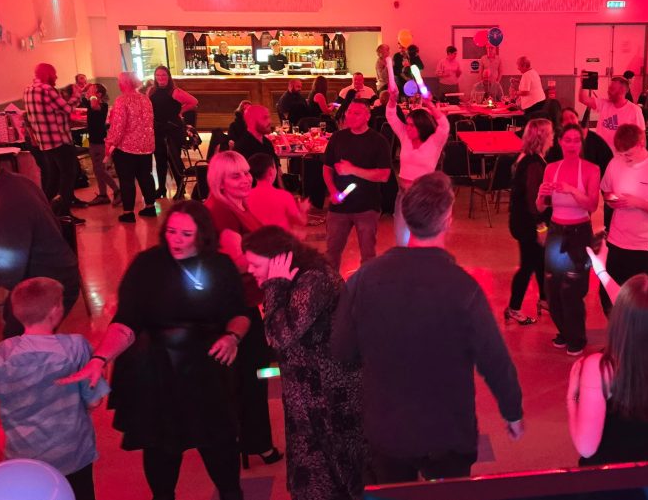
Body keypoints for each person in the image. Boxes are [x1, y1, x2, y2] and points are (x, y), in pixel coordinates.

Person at [332, 172, 524, 483]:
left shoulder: (364, 279)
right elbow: (495, 360)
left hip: (387, 427)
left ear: (404, 215)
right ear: (448, 219)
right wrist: (512, 411)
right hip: (447, 431)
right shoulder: (464, 287)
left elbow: (341, 350)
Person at [60, 201, 249, 500]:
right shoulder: (147, 264)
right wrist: (100, 357)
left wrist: (232, 337)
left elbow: (239, 312)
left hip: (205, 369)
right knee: (162, 448)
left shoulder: (219, 265)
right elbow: (126, 321)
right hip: (156, 371)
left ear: (203, 234)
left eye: (186, 234)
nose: (177, 239)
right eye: (172, 231)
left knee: (219, 444)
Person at [243, 226, 366, 500]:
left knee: (334, 472)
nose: (250, 270)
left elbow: (277, 335)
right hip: (310, 394)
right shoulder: (298, 278)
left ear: (279, 260)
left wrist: (273, 286)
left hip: (330, 396)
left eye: (255, 264)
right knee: (317, 475)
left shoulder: (314, 280)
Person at [0, 277, 110, 500]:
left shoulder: (3, 351)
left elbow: (1, 400)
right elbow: (94, 400)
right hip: (71, 452)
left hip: (22, 453)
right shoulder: (75, 347)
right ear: (55, 310)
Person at [203, 152, 282, 469]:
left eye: (247, 172)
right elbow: (236, 261)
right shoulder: (221, 211)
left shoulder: (238, 204)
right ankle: (255, 442)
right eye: (236, 175)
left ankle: (248, 439)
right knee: (250, 376)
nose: (246, 179)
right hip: (233, 306)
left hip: (246, 301)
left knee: (252, 374)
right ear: (219, 180)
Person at [567, 271, 648, 465]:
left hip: (606, 473)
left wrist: (571, 396)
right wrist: (602, 271)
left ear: (617, 317)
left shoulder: (600, 367)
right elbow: (638, 310)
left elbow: (586, 448)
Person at [0, 142, 80, 338]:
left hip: (49, 287)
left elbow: (5, 273)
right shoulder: (14, 182)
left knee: (18, 347)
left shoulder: (8, 204)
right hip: (46, 276)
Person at [598, 124, 648, 315]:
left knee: (639, 300)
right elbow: (606, 190)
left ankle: (633, 338)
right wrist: (611, 201)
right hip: (617, 240)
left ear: (642, 143)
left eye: (629, 153)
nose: (625, 158)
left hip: (645, 245)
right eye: (622, 154)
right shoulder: (615, 162)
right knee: (608, 292)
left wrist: (638, 203)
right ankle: (617, 332)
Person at [541, 123, 601, 355]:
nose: (573, 144)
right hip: (556, 231)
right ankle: (565, 331)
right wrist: (541, 196)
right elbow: (543, 205)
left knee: (573, 288)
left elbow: (592, 205)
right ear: (560, 142)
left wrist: (572, 190)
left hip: (578, 232)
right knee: (553, 286)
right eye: (568, 140)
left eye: (577, 140)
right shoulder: (551, 168)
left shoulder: (591, 169)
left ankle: (577, 336)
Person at [323, 100, 392, 272]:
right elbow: (327, 168)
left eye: (356, 113)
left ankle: (365, 290)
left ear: (367, 116)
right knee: (331, 252)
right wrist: (332, 191)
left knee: (368, 254)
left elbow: (384, 175)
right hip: (339, 207)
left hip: (367, 206)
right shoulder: (338, 137)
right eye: (348, 112)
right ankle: (330, 290)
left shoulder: (378, 141)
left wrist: (352, 170)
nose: (350, 116)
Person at [385, 84, 449, 246]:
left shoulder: (434, 142)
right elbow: (391, 116)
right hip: (404, 195)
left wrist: (430, 105)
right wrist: (392, 100)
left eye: (412, 125)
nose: (408, 128)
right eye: (407, 124)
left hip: (424, 197)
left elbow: (444, 126)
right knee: (402, 240)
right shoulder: (405, 136)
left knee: (423, 241)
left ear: (422, 126)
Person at [505, 119, 553, 327]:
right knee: (528, 265)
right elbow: (535, 201)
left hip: (520, 220)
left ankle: (544, 299)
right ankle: (514, 308)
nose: (553, 137)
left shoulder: (525, 156)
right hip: (529, 223)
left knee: (540, 260)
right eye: (550, 134)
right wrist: (541, 228)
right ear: (542, 137)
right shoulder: (534, 163)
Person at [22, 62, 82, 220]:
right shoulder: (47, 90)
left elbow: (48, 112)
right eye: (54, 74)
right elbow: (67, 109)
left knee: (53, 177)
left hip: (44, 142)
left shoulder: (28, 90)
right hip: (59, 140)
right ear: (48, 74)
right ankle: (64, 213)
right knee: (68, 176)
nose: (56, 77)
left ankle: (45, 211)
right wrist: (77, 94)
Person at [106, 72, 158, 223]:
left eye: (119, 81)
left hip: (127, 148)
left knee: (127, 180)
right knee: (145, 177)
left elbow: (118, 127)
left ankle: (128, 212)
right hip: (146, 146)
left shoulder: (122, 100)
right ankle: (150, 207)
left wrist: (110, 143)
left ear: (124, 83)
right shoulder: (145, 99)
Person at [147, 65, 197, 200]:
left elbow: (193, 102)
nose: (161, 78)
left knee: (174, 158)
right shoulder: (152, 91)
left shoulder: (174, 91)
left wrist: (180, 111)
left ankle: (181, 188)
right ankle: (161, 188)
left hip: (172, 128)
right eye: (158, 75)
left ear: (168, 76)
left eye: (163, 75)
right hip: (158, 128)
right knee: (160, 159)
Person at [579, 76, 645, 155]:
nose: (608, 91)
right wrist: (583, 83)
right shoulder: (604, 104)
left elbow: (641, 136)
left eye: (612, 89)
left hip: (620, 155)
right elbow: (583, 99)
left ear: (622, 90)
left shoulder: (634, 110)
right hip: (601, 151)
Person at [246, 153, 308, 230]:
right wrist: (303, 209)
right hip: (279, 240)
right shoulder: (284, 196)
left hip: (256, 239)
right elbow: (301, 221)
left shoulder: (246, 197)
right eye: (275, 167)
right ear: (270, 171)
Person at [85, 83, 121, 206]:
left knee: (100, 169)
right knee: (97, 169)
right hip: (93, 141)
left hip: (100, 142)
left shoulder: (102, 105)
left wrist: (92, 95)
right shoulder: (90, 104)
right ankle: (103, 195)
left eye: (93, 91)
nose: (89, 93)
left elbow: (95, 105)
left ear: (99, 94)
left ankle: (117, 190)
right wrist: (86, 90)